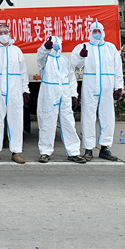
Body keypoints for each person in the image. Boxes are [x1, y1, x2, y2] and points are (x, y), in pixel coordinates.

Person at [71, 21, 124, 162]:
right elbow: (76, 63)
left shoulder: (111, 48)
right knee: (88, 117)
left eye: (98, 31)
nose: (96, 34)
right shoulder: (84, 47)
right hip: (90, 87)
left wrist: (118, 87)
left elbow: (117, 69)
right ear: (89, 32)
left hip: (107, 87)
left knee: (107, 117)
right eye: (94, 31)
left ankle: (105, 147)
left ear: (103, 32)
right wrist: (81, 56)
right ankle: (88, 149)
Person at [0, 24, 29, 164]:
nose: (3, 34)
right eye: (0, 32)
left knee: (16, 119)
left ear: (10, 33)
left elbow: (23, 71)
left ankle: (16, 152)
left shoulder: (16, 51)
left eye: (5, 32)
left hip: (15, 89)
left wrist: (25, 89)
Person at [36, 36, 86, 164]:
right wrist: (45, 48)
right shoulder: (45, 60)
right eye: (53, 43)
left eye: (58, 43)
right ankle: (45, 152)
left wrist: (73, 95)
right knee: (47, 122)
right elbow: (40, 57)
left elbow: (71, 78)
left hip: (64, 94)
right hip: (49, 93)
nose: (56, 46)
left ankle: (73, 152)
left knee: (68, 122)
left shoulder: (65, 61)